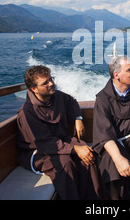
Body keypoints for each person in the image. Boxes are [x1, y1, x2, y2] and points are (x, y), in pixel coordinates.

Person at [16, 65, 102, 200]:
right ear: (34, 89)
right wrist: (75, 149)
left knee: (88, 156)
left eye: (51, 79)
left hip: (62, 141)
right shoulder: (27, 113)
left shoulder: (57, 96)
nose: (51, 84)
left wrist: (78, 118)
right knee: (65, 163)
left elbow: (72, 102)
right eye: (45, 83)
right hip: (38, 152)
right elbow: (44, 143)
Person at [92, 56, 130, 199]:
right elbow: (104, 134)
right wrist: (119, 158)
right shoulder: (102, 99)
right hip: (116, 144)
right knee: (111, 161)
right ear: (117, 75)